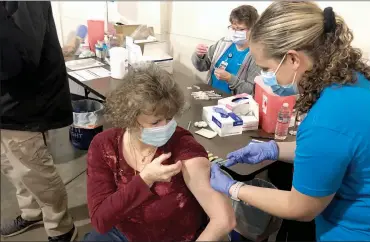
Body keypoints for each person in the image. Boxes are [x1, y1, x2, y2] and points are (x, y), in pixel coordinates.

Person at [210, 1, 370, 241]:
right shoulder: (366, 80)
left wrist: (234, 188)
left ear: (293, 60)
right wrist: (274, 149)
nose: (265, 78)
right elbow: (341, 150)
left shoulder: (329, 117)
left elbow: (301, 207)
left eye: (266, 68)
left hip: (363, 232)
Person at [83, 63, 236, 242]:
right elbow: (101, 220)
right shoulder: (105, 145)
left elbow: (224, 219)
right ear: (129, 120)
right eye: (155, 123)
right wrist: (145, 179)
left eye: (169, 118)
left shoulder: (183, 147)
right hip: (123, 232)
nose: (166, 127)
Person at [0, 1, 77, 241]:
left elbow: (18, 61)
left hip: (23, 108)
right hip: (5, 106)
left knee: (36, 172)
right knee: (12, 168)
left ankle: (61, 227)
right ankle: (32, 212)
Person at [191, 5, 260, 95]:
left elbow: (252, 91)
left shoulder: (256, 55)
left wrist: (230, 78)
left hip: (233, 105)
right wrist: (199, 56)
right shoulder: (223, 43)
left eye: (241, 29)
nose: (235, 32)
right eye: (233, 28)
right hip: (210, 97)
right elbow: (202, 66)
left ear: (253, 29)